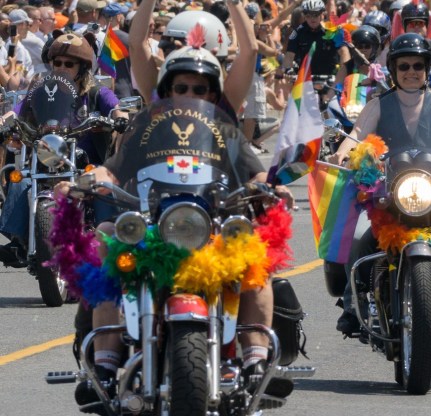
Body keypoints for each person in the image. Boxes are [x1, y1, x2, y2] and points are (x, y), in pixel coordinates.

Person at [67, 0, 294, 410]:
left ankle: (257, 361)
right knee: (104, 241)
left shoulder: (226, 125)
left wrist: (269, 187)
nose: (191, 95)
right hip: (155, 222)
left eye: (200, 89)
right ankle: (103, 364)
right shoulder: (145, 122)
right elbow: (112, 169)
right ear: (167, 87)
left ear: (214, 88)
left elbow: (255, 171)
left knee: (255, 256)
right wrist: (91, 179)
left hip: (210, 222)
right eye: (181, 88)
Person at [328, 33, 431, 334]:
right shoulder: (378, 104)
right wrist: (340, 154)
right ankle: (351, 304)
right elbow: (356, 135)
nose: (411, 71)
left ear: (428, 68)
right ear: (394, 70)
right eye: (404, 66)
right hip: (387, 190)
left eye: (418, 65)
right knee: (357, 232)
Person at [0, 32, 125, 267]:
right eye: (58, 62)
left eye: (69, 64)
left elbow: (115, 107)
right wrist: (5, 119)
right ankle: (19, 242)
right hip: (47, 156)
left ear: (82, 67)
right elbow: (18, 109)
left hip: (84, 161)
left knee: (101, 185)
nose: (62, 67)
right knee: (22, 180)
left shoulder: (95, 92)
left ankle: (107, 237)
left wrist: (119, 118)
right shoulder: (41, 91)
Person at [278, 0, 350, 85]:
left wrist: (343, 74)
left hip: (330, 80)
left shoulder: (332, 30)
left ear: (322, 14)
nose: (312, 18)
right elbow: (289, 56)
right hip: (305, 80)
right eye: (308, 15)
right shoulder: (297, 32)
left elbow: (344, 52)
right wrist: (289, 71)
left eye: (315, 15)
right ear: (304, 16)